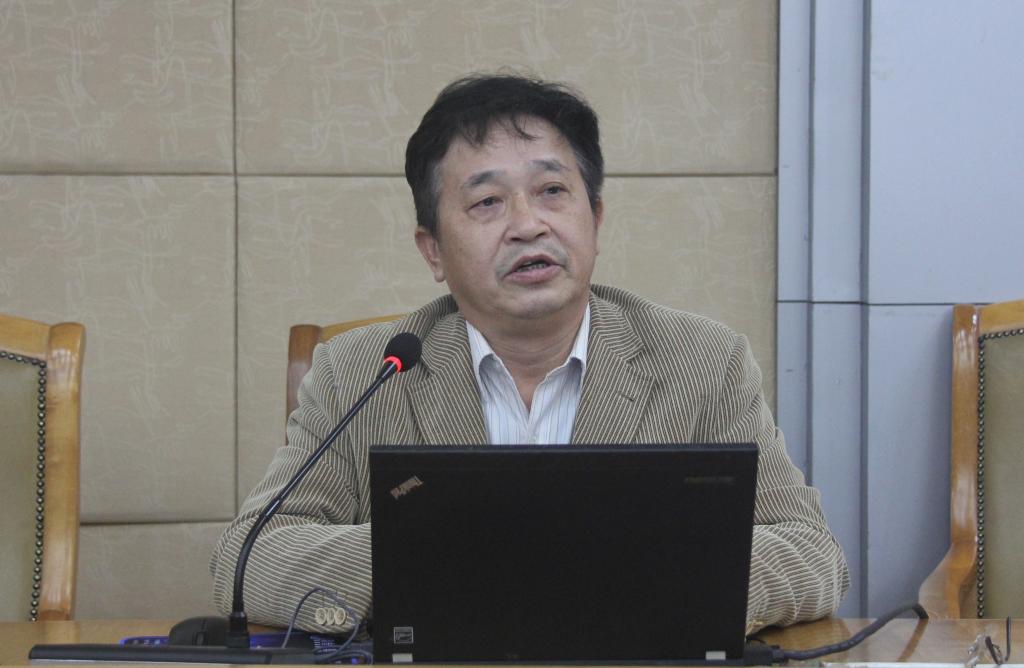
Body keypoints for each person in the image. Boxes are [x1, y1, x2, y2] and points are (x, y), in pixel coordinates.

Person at [210, 74, 849, 635]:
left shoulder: (703, 363)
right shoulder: (360, 372)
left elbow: (811, 553)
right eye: (487, 202)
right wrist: (448, 560)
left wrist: (643, 573)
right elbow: (249, 559)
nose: (527, 224)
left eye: (551, 191)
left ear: (595, 219)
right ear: (433, 251)